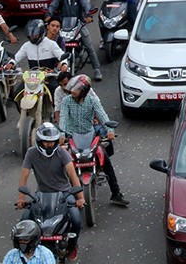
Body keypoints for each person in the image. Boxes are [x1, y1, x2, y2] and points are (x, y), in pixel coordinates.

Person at [57, 75, 129, 207]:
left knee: (106, 161)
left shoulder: (92, 101)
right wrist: (62, 133)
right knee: (63, 165)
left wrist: (110, 130)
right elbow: (63, 119)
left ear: (84, 90)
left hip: (90, 136)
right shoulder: (67, 101)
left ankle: (116, 194)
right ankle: (61, 196)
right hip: (72, 137)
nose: (72, 90)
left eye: (76, 89)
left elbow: (102, 115)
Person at [18, 123, 84, 260]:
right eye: (46, 142)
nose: (50, 145)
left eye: (53, 142)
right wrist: (21, 199)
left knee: (77, 220)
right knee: (24, 220)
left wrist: (80, 198)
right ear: (39, 141)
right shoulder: (31, 153)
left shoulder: (62, 153)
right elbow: (23, 177)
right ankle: (24, 252)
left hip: (64, 194)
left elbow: (73, 176)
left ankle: (72, 246)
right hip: (41, 194)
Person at [48, 0, 103, 82]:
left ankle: (97, 69)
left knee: (89, 47)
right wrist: (48, 15)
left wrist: (88, 16)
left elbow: (86, 6)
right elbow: (52, 6)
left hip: (78, 24)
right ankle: (53, 68)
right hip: (63, 26)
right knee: (53, 46)